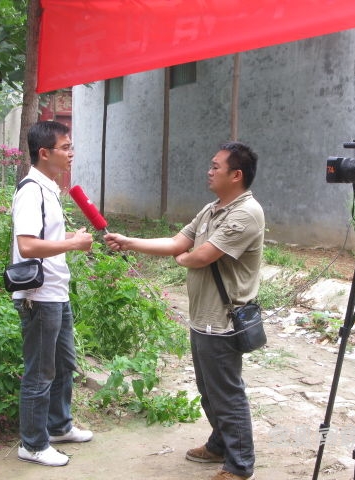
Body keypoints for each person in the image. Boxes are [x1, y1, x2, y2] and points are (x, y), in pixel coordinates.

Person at [105, 141, 264, 480]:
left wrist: (183, 258)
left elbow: (201, 255)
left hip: (224, 320)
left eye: (216, 167)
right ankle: (220, 443)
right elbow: (179, 242)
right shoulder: (212, 209)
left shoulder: (246, 213)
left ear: (236, 175)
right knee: (209, 391)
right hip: (203, 318)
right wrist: (128, 241)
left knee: (226, 392)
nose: (209, 171)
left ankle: (239, 465)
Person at [11, 121, 94, 467]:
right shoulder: (31, 190)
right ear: (44, 153)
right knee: (40, 372)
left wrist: (67, 240)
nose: (71, 153)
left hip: (56, 292)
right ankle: (31, 443)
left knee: (63, 365)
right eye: (65, 147)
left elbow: (46, 240)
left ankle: (58, 426)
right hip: (39, 296)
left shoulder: (50, 189)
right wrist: (74, 243)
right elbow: (27, 246)